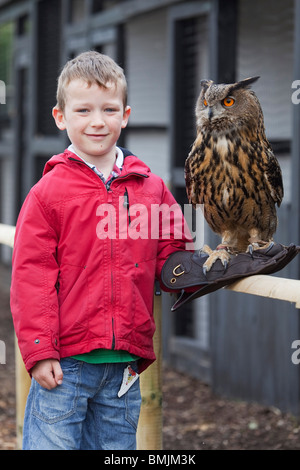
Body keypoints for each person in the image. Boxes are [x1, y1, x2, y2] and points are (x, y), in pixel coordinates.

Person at [10, 51, 192, 450]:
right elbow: (32, 275)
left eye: (109, 109)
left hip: (125, 364)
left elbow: (173, 252)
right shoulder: (48, 194)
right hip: (65, 363)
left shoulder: (152, 189)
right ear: (60, 117)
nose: (97, 121)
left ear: (124, 115)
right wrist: (39, 350)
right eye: (84, 110)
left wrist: (203, 270)